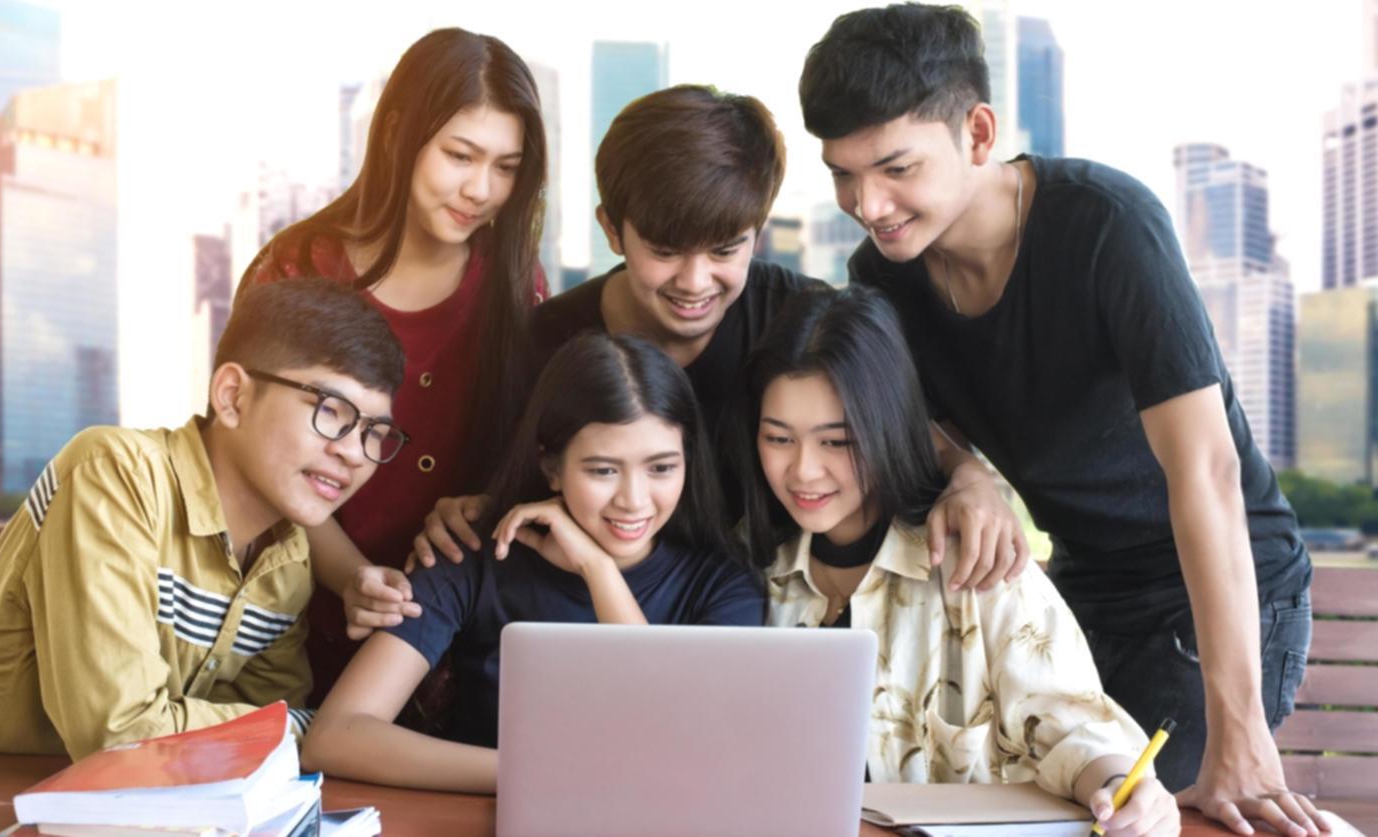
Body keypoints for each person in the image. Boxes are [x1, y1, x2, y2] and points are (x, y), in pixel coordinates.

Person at [799, 3, 1320, 836]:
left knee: (1134, 815)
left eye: (895, 167)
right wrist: (965, 470)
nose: (869, 202)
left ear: (976, 132)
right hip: (1081, 588)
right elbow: (888, 411)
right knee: (1036, 799)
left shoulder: (1108, 226)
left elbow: (1207, 472)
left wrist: (1242, 732)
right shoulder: (880, 276)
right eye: (843, 174)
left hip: (1223, 585)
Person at [415, 86, 1028, 606]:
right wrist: (467, 511)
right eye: (664, 250)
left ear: (758, 232)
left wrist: (969, 477)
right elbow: (496, 494)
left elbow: (894, 425)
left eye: (725, 250)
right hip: (587, 615)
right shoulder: (543, 345)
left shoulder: (800, 320)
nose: (695, 281)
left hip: (762, 608)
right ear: (612, 230)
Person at [739, 286, 1178, 837]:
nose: (802, 471)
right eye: (778, 438)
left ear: (889, 429)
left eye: (836, 442)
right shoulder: (745, 575)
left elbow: (1071, 724)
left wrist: (1118, 786)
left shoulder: (977, 558)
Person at [0, 279, 405, 760]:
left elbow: (263, 745)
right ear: (233, 396)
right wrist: (317, 731)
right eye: (331, 411)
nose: (352, 453)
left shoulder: (288, 557)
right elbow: (121, 736)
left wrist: (286, 732)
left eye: (375, 432)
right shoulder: (115, 474)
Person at [301, 333, 764, 792]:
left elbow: (685, 747)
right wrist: (538, 775)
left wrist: (598, 571)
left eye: (661, 468)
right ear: (551, 467)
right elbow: (335, 737)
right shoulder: (472, 557)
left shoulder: (726, 585)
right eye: (603, 470)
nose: (634, 500)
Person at [238, 27, 549, 704]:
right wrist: (350, 575)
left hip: (459, 639)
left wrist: (488, 502)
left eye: (506, 166)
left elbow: (535, 448)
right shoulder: (296, 269)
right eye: (460, 155)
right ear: (398, 136)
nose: (480, 189)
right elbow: (249, 457)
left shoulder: (517, 286)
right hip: (288, 631)